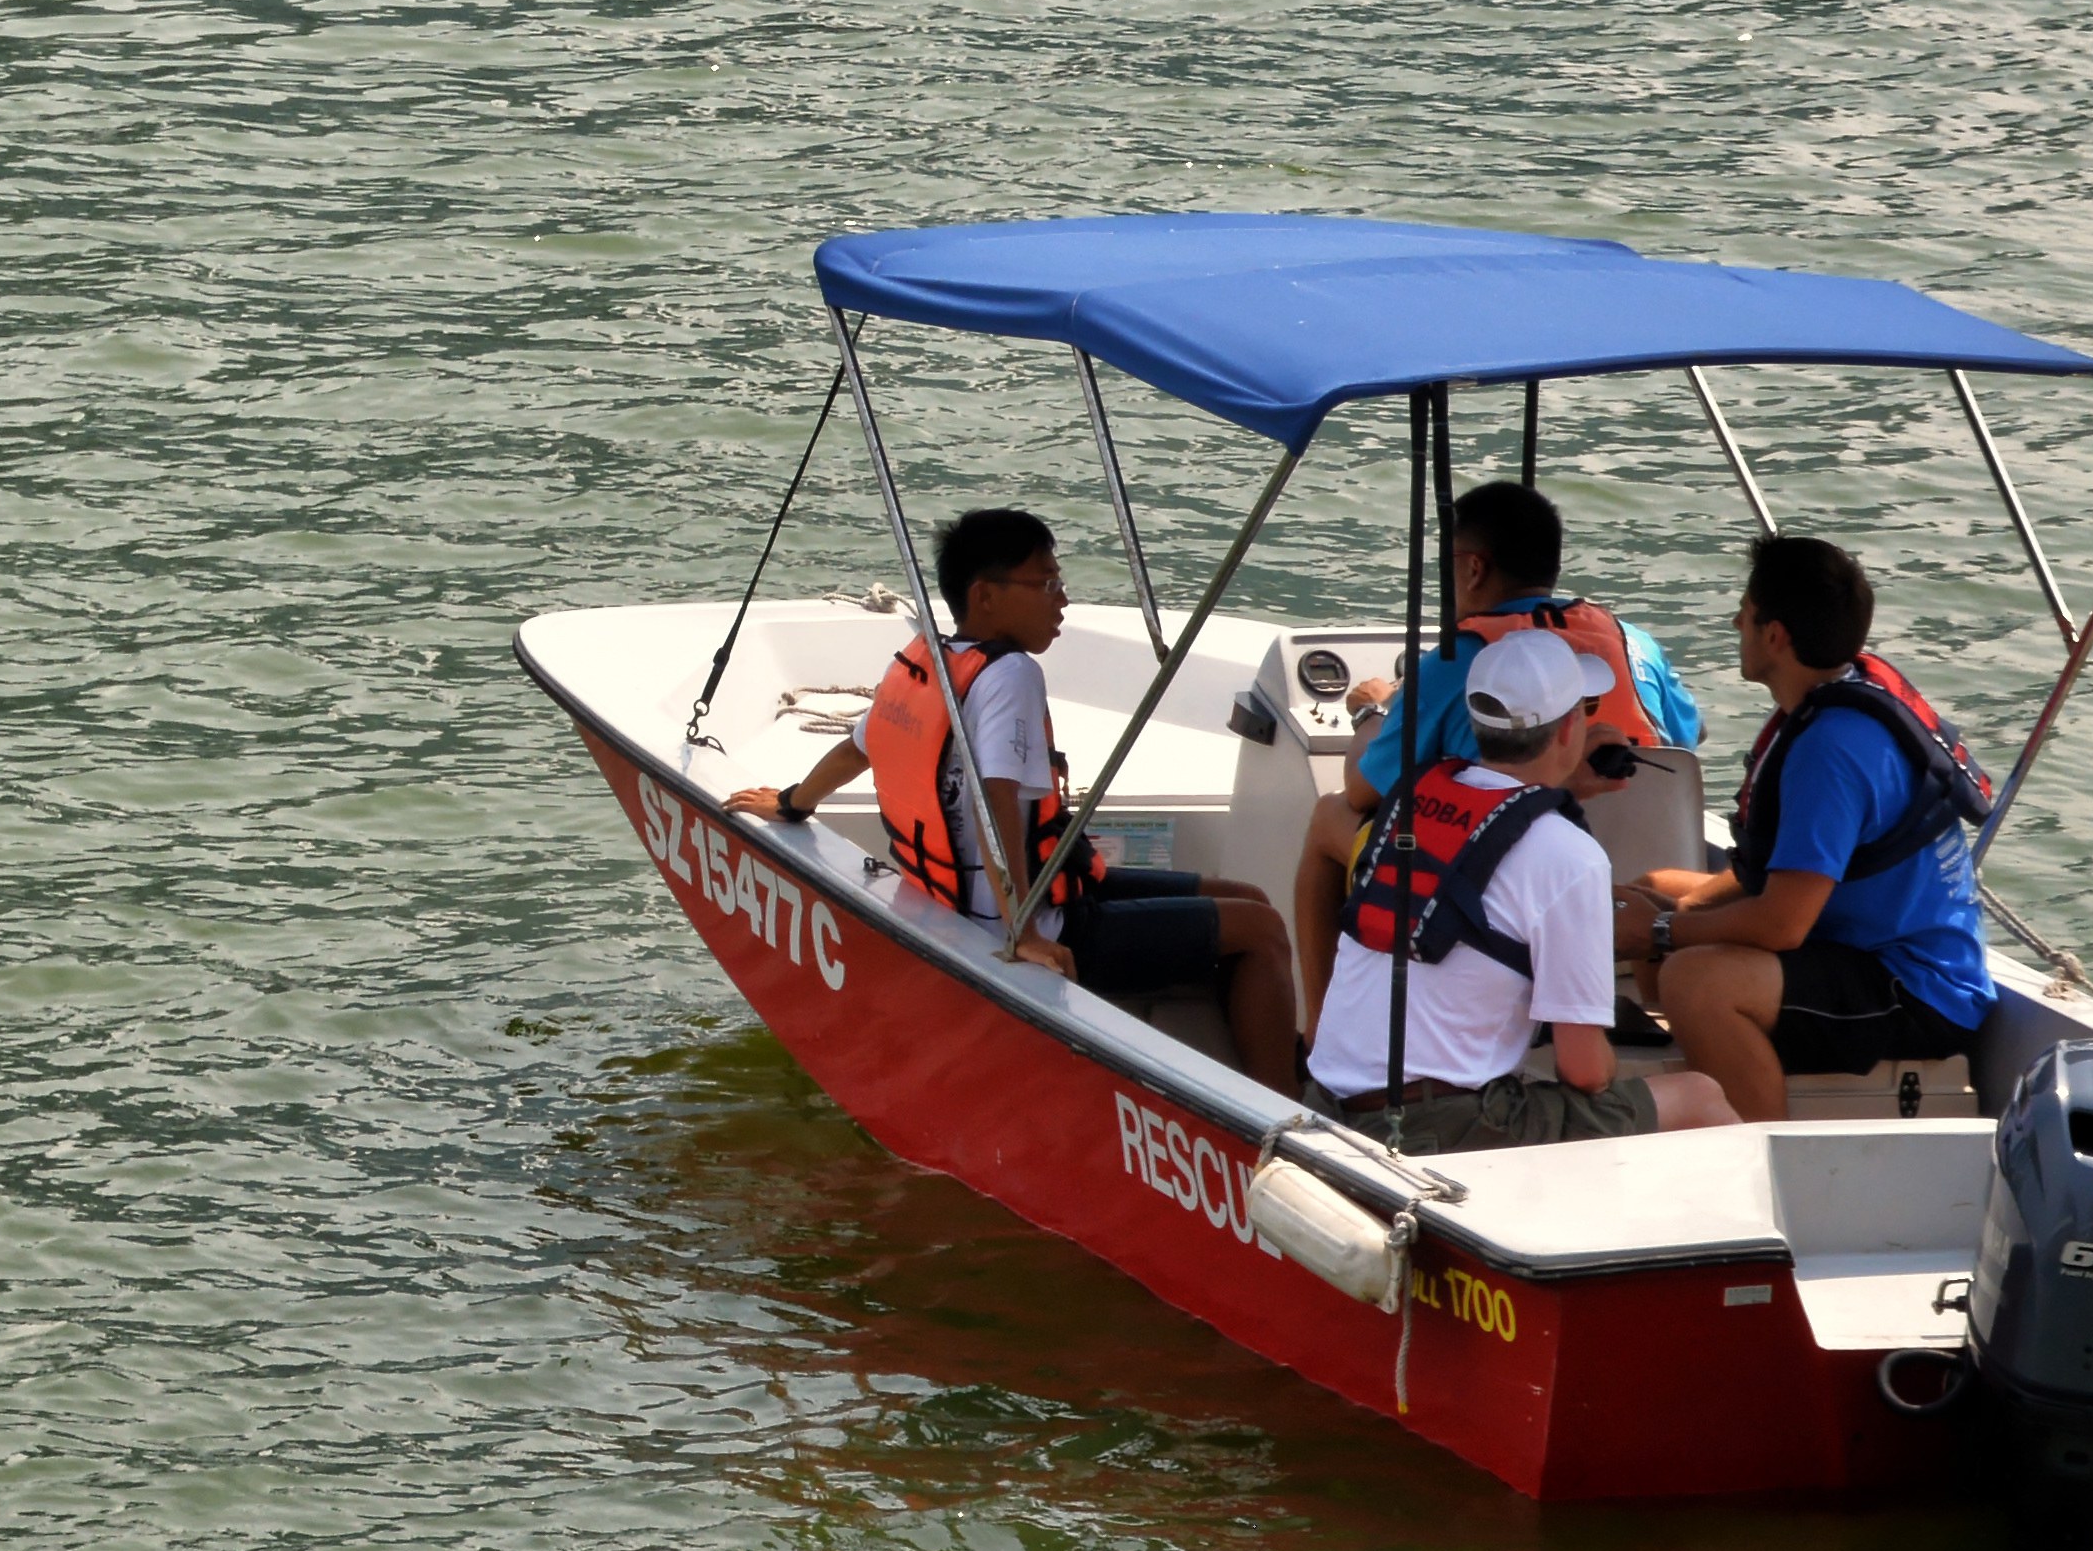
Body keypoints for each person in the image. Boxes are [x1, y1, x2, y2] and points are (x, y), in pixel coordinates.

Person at [738, 505, 1307, 1089]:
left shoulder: (928, 662)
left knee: (1247, 897)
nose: (1061, 600)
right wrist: (1024, 932)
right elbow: (995, 800)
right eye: (1047, 583)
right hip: (1028, 917)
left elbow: (857, 750)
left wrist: (792, 804)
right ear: (985, 596)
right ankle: (1285, 1105)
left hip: (983, 894)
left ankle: (1248, 1058)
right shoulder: (1011, 675)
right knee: (1262, 932)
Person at [1310, 631, 1733, 1151]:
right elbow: (1584, 1073)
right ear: (1569, 730)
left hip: (1328, 1101)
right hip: (1427, 1127)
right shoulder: (1567, 855)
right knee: (1700, 1097)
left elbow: (1487, 841)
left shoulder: (1411, 800)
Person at [1640, 534, 2002, 1121]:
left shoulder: (1831, 748)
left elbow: (1783, 922)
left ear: (1774, 634)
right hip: (1852, 946)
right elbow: (1779, 876)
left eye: (1747, 612)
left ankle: (1759, 1159)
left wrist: (1658, 932)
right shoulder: (1827, 707)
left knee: (1694, 981)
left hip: (1915, 988)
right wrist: (1670, 909)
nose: (1736, 621)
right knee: (1657, 887)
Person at [1280, 479, 1698, 971]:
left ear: (1474, 567)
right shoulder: (1635, 644)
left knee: (1329, 815)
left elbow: (1363, 792)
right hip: (1631, 890)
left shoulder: (1460, 658)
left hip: (1502, 892)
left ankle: (1317, 1034)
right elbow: (1685, 742)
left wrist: (1372, 713)